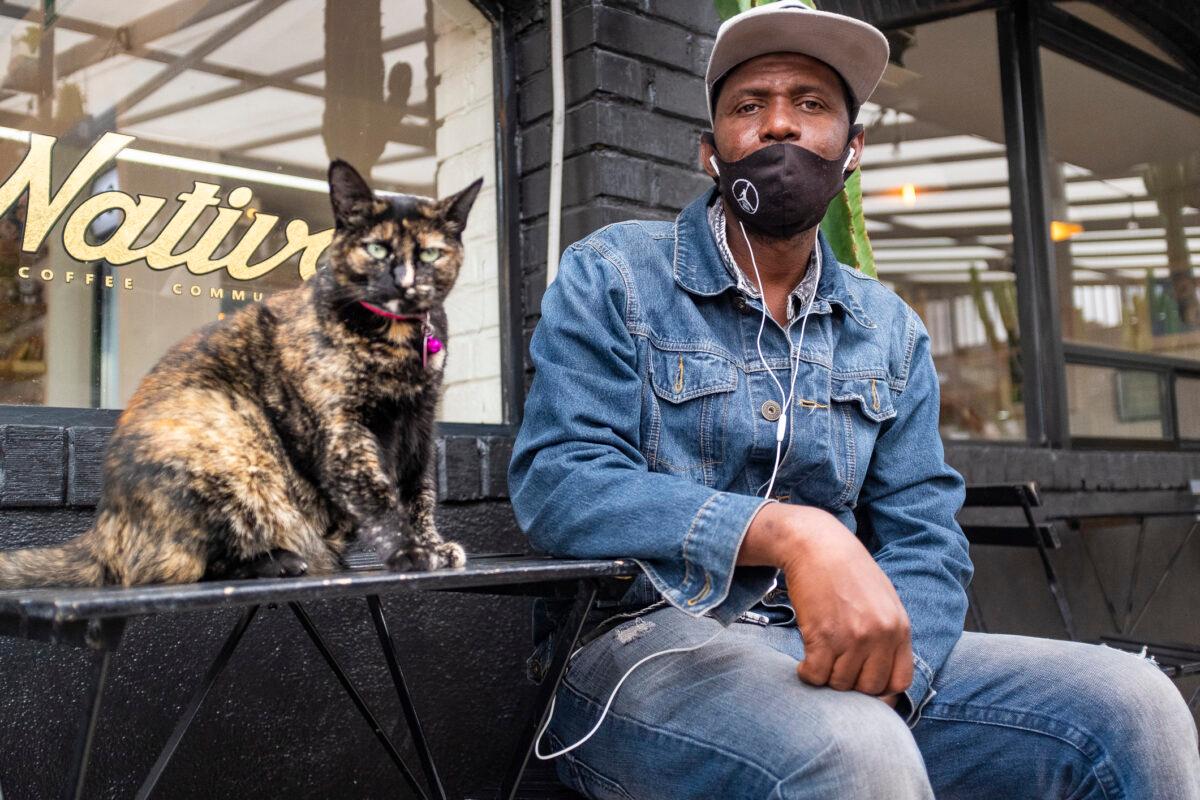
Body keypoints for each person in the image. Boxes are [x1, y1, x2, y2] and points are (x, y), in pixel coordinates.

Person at [508, 3, 1200, 797]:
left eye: (810, 103)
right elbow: (561, 480)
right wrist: (791, 534)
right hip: (645, 647)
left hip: (829, 650)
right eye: (747, 106)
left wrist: (897, 678)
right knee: (852, 747)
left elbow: (927, 542)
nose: (779, 126)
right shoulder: (614, 275)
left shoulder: (889, 330)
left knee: (1134, 704)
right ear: (710, 152)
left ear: (854, 153)